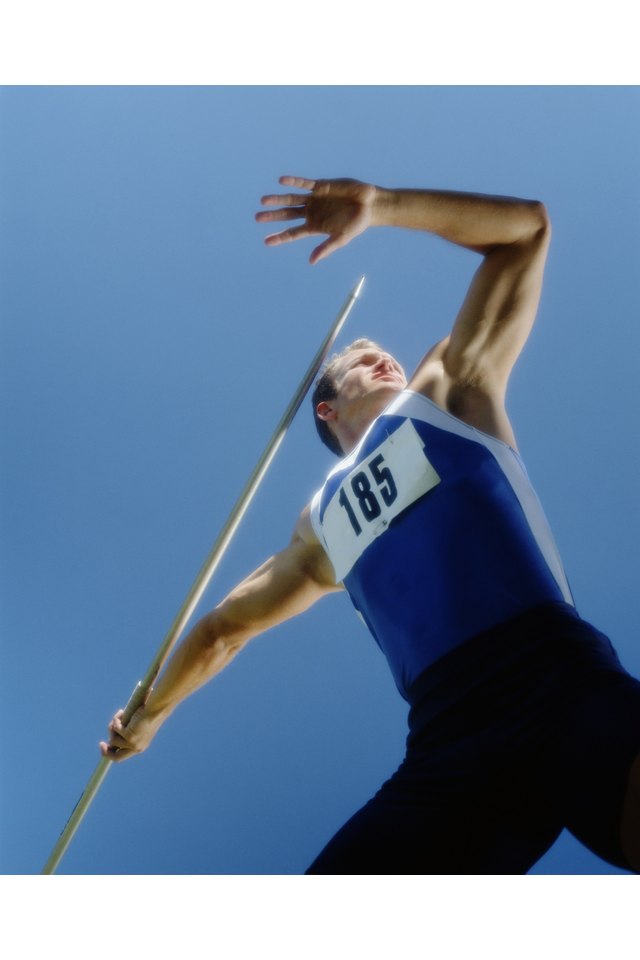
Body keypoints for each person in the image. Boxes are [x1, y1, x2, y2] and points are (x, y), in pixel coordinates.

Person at [101, 175, 640, 874]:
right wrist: (151, 713)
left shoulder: (447, 390)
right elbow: (224, 628)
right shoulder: (320, 526)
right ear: (326, 409)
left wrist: (382, 206)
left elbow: (527, 232)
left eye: (381, 348)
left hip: (557, 679)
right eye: (359, 358)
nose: (382, 353)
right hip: (450, 740)